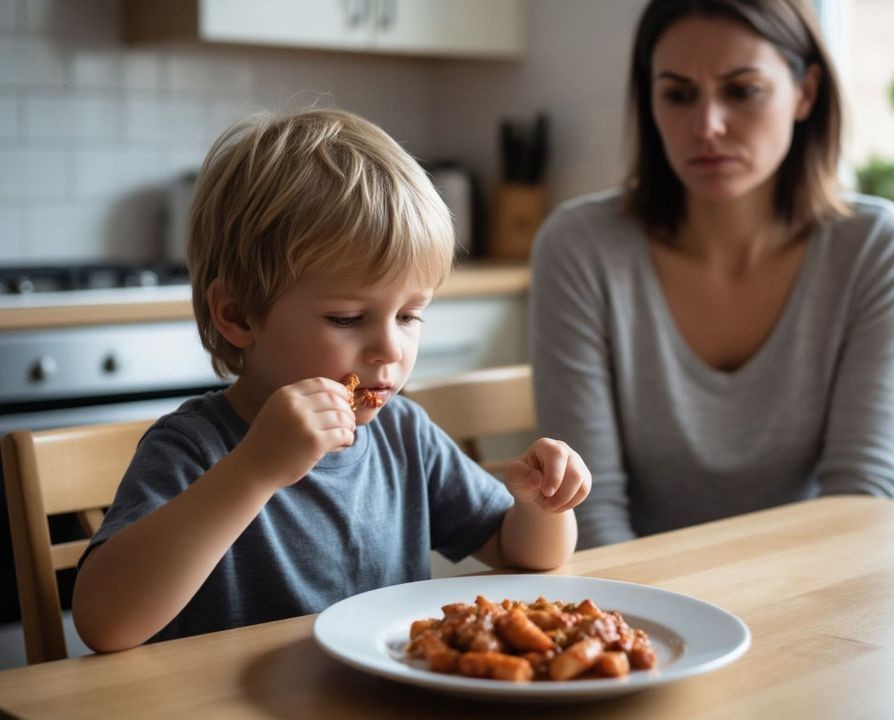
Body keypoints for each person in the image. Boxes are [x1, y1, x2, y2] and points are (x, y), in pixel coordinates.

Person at [72, 108, 590, 651]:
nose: (390, 347)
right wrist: (254, 471)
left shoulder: (403, 435)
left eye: (410, 315)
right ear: (240, 315)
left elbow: (524, 553)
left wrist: (542, 504)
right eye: (347, 318)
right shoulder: (195, 449)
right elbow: (105, 623)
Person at [530, 0, 894, 549]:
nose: (707, 126)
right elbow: (591, 511)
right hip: (639, 611)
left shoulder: (878, 249)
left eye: (742, 91)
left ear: (805, 92)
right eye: (677, 94)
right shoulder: (579, 248)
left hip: (811, 595)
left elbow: (861, 505)